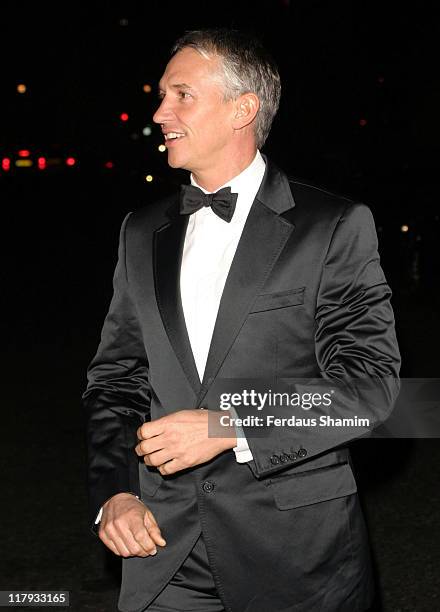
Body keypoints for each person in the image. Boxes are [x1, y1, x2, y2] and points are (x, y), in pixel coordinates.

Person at [83, 28, 401, 612]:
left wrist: (229, 424)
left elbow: (370, 389)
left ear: (243, 108)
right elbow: (116, 380)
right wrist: (116, 493)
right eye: (161, 95)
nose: (159, 112)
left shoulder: (332, 225)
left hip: (296, 558)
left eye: (181, 94)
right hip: (162, 551)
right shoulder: (139, 231)